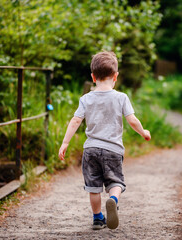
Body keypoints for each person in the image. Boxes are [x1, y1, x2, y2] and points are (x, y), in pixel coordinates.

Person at [58, 51, 151, 230]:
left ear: (93, 77)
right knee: (115, 182)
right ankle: (113, 200)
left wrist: (65, 142)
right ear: (116, 76)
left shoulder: (86, 99)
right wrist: (143, 132)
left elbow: (76, 120)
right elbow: (132, 120)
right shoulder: (121, 97)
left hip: (91, 149)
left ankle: (97, 218)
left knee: (93, 187)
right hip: (113, 150)